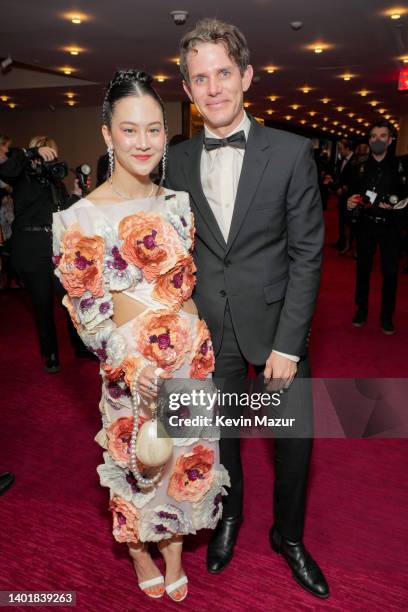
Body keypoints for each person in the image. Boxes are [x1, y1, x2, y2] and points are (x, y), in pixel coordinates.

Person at [52, 69, 229, 603]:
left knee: (184, 458)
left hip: (190, 358)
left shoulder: (176, 202)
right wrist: (132, 368)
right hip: (133, 368)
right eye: (130, 130)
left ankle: (173, 546)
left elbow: (184, 285)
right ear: (107, 134)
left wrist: (199, 347)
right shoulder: (77, 218)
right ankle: (137, 550)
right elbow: (89, 318)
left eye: (154, 129)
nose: (144, 142)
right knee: (140, 462)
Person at [167, 18, 328, 599]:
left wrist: (289, 342)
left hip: (276, 328)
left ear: (247, 77)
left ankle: (289, 537)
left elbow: (309, 254)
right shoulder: (176, 161)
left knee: (293, 443)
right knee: (219, 437)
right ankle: (228, 518)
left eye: (223, 74)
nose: (213, 88)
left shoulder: (290, 152)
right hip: (208, 327)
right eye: (200, 78)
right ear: (187, 90)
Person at [0, 136, 84, 371]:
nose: (50, 157)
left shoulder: (55, 180)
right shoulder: (20, 175)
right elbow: (6, 170)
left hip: (56, 244)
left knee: (70, 300)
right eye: (47, 153)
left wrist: (76, 195)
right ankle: (51, 355)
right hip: (31, 246)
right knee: (42, 303)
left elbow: (65, 211)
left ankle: (80, 347)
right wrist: (31, 152)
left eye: (53, 153)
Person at [347, 120, 406, 335]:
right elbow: (349, 194)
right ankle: (361, 310)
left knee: (390, 273)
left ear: (390, 140)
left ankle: (386, 317)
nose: (377, 140)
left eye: (382, 136)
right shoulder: (360, 168)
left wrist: (397, 205)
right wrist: (349, 202)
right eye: (373, 136)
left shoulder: (401, 167)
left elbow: (406, 198)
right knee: (363, 270)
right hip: (366, 226)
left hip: (390, 228)